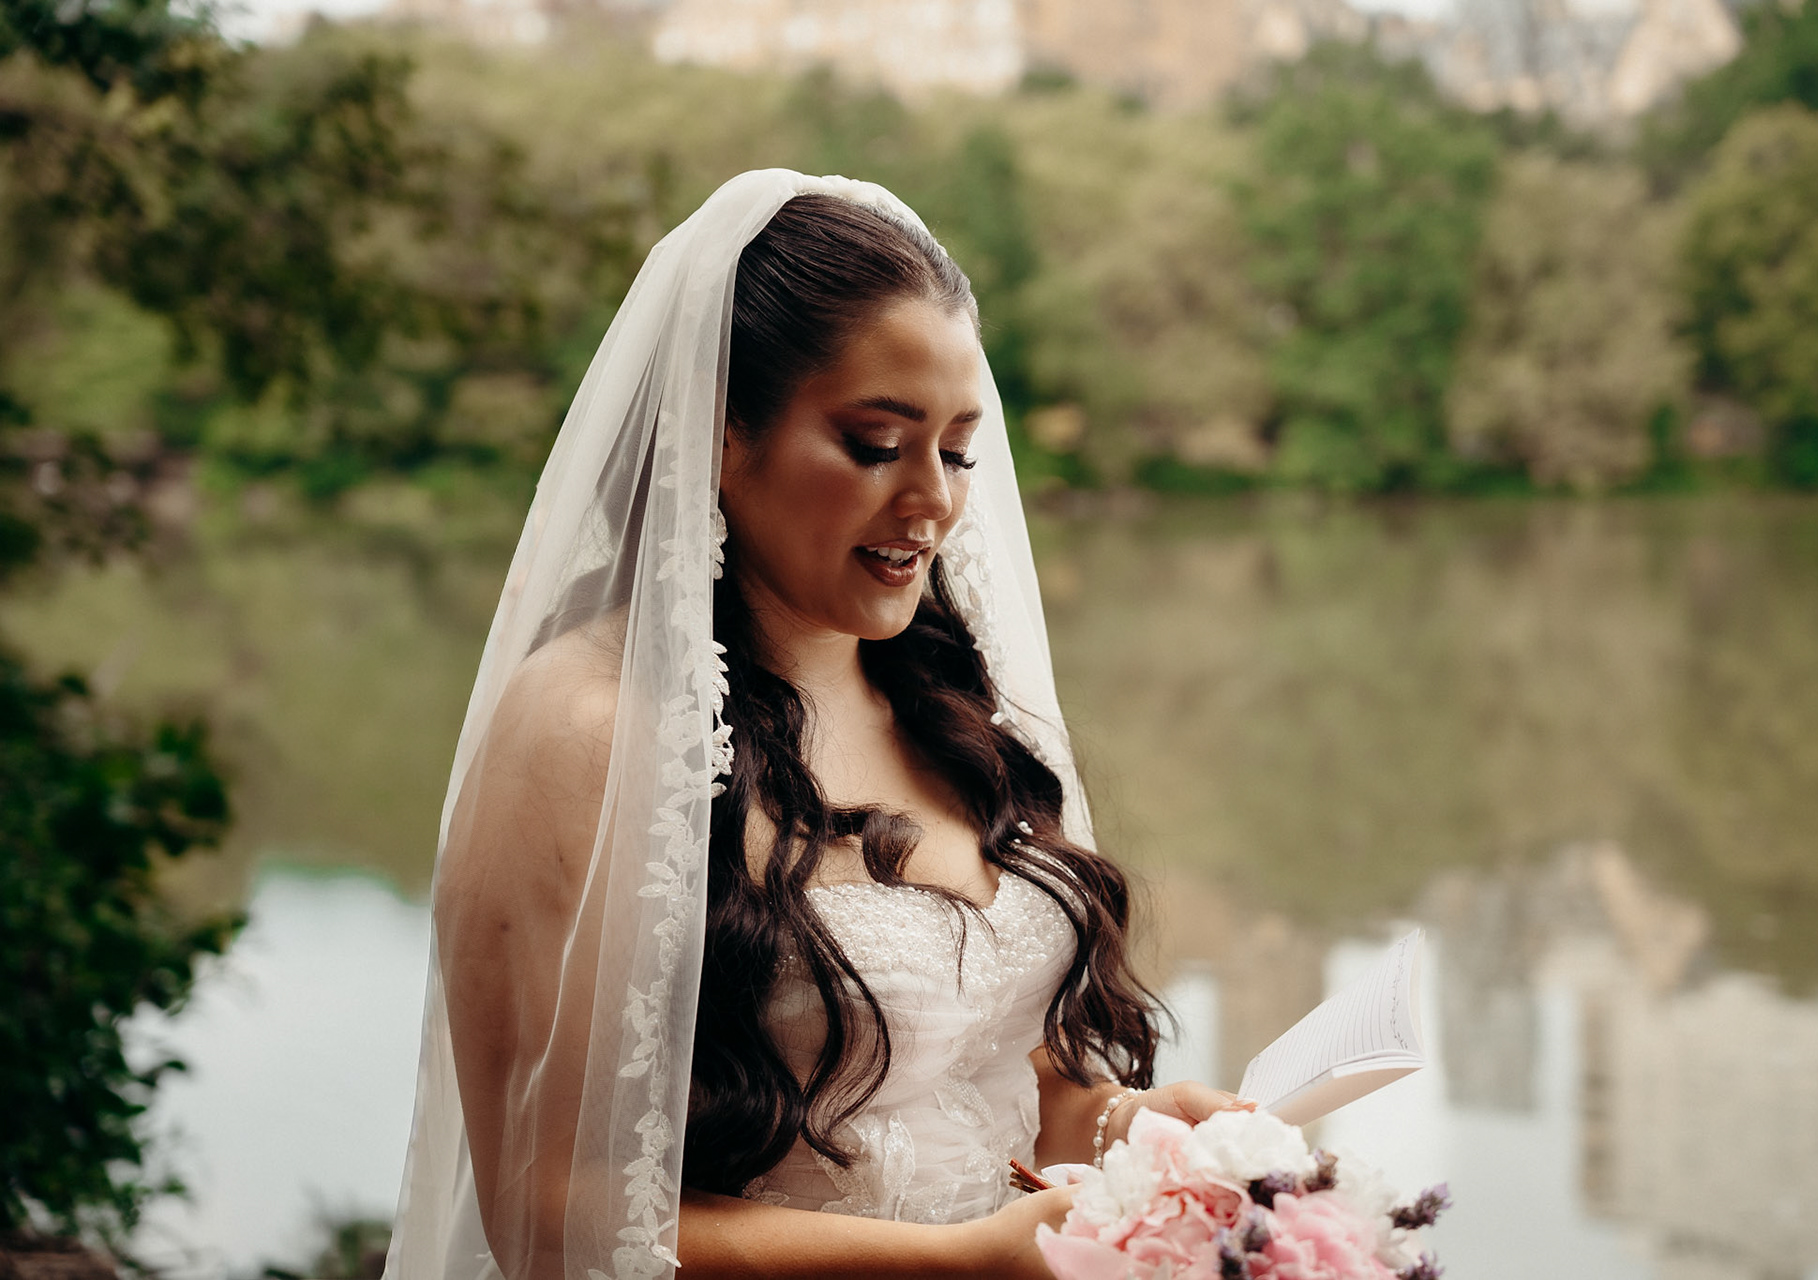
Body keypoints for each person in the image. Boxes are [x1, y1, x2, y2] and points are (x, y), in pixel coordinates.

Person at [383, 170, 1248, 1280]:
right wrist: (964, 1262)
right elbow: (549, 1216)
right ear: (721, 437)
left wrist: (1136, 1130)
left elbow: (987, 1079)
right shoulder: (588, 731)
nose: (931, 500)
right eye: (877, 443)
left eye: (958, 449)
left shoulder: (951, 702)